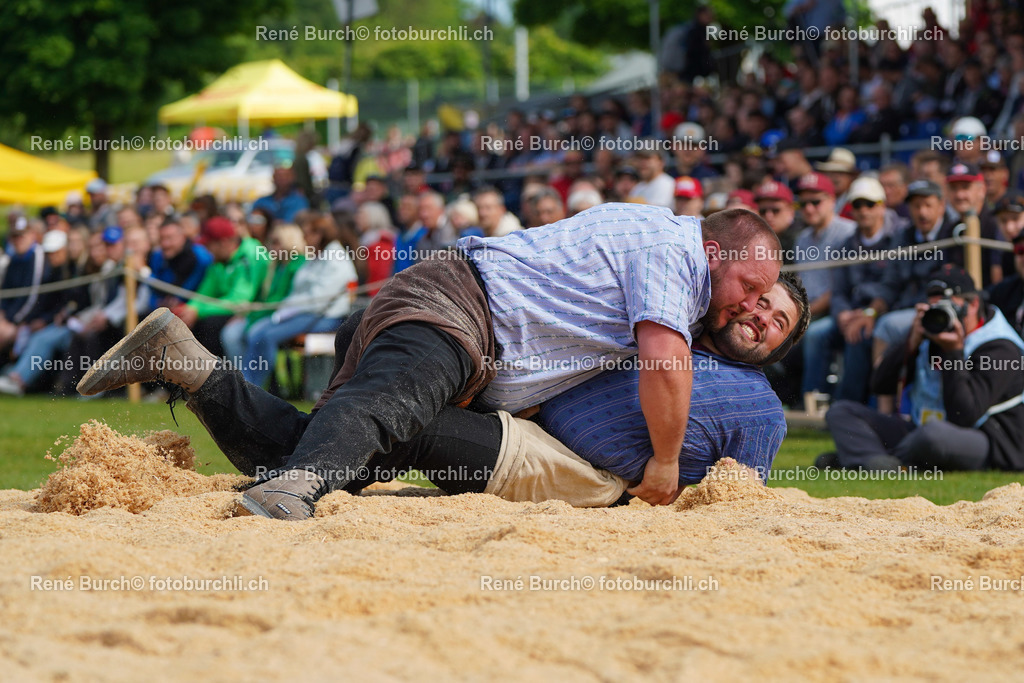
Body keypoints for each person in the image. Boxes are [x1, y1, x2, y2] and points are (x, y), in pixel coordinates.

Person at [79, 205, 783, 519]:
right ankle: (295, 487)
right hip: (460, 309)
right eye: (751, 289)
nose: (749, 305)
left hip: (466, 330)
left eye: (768, 308)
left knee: (324, 446)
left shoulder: (672, 259)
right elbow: (663, 358)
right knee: (378, 416)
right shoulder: (677, 254)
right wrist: (663, 465)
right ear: (717, 250)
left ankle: (186, 363)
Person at [824, 266, 1024, 472]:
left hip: (986, 439)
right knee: (841, 412)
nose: (941, 316)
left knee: (932, 436)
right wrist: (910, 343)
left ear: (973, 304)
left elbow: (964, 415)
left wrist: (953, 353)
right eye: (934, 308)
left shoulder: (1001, 347)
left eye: (949, 308)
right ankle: (875, 461)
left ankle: (868, 459)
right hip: (921, 428)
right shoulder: (929, 332)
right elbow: (880, 385)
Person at [802, 177, 908, 405]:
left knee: (857, 336)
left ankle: (848, 405)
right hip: (852, 312)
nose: (863, 211)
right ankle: (810, 403)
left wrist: (869, 313)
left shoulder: (899, 236)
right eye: (857, 206)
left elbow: (895, 286)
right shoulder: (847, 244)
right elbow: (839, 291)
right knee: (815, 335)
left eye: (869, 204)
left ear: (882, 205)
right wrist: (842, 314)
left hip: (884, 311)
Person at [239, 216, 358, 387]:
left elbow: (319, 300)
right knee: (258, 331)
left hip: (326, 316)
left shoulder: (336, 258)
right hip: (303, 312)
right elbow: (299, 292)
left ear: (319, 235)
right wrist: (286, 309)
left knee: (267, 336)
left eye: (307, 234)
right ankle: (247, 382)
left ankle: (252, 386)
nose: (304, 239)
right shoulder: (316, 256)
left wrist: (289, 309)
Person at [175, 217, 267, 357]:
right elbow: (206, 291)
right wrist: (191, 308)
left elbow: (239, 301)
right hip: (236, 311)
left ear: (223, 243)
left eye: (209, 245)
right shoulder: (218, 260)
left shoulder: (250, 255)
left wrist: (198, 311)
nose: (206, 250)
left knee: (210, 325)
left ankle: (225, 376)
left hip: (257, 312)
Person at [148, 217, 213, 310]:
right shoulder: (157, 257)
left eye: (170, 238)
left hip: (192, 310)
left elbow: (202, 290)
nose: (165, 244)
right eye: (161, 238)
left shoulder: (201, 257)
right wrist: (157, 304)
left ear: (182, 236)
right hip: (162, 310)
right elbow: (153, 288)